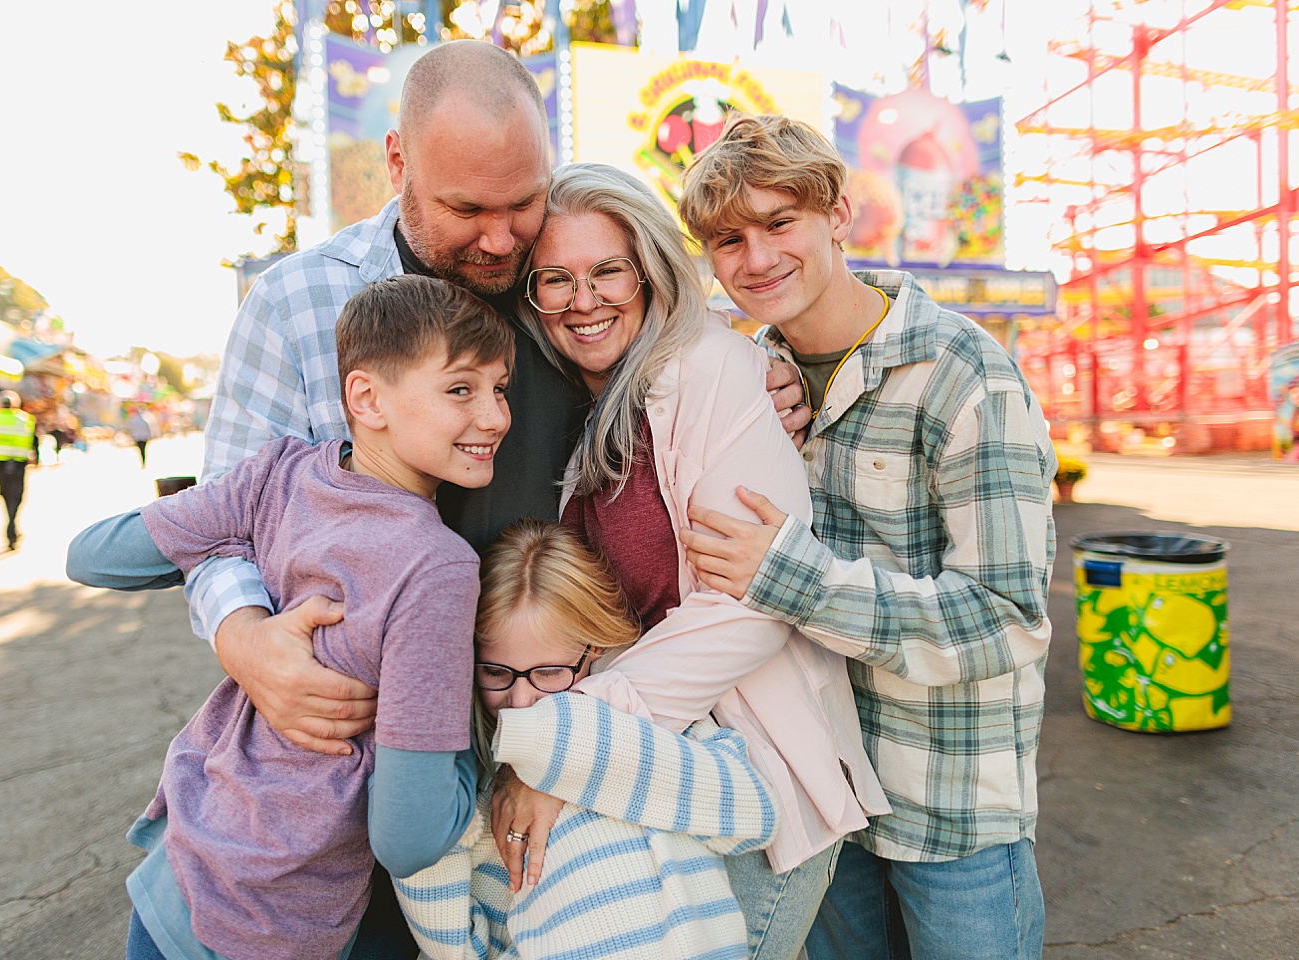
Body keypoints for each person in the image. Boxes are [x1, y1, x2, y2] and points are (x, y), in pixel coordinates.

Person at [184, 37, 806, 764]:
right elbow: (219, 519)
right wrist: (243, 637)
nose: (501, 238)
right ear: (398, 162)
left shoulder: (548, 272)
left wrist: (764, 361)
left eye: (523, 202)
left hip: (555, 712)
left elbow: (647, 318)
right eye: (467, 208)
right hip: (363, 732)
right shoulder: (296, 304)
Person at [675, 114, 1057, 960]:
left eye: (779, 223)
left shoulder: (962, 373)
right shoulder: (750, 377)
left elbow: (1005, 618)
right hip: (823, 791)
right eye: (729, 240)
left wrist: (795, 579)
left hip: (950, 804)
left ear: (838, 215)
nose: (756, 258)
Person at [487, 162, 887, 960]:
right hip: (656, 765)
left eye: (608, 271)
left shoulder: (711, 370)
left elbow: (752, 607)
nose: (583, 300)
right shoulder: (575, 397)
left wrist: (570, 737)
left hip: (756, 769)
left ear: (651, 272)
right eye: (555, 279)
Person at [68, 275, 509, 960]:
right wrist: (483, 768)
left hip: (177, 876)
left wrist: (229, 561)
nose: (496, 417)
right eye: (461, 389)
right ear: (366, 399)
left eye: (500, 388)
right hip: (269, 919)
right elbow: (410, 836)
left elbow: (93, 555)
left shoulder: (278, 477)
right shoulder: (436, 568)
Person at [396, 519, 779, 960]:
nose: (520, 702)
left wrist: (562, 744)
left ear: (595, 649)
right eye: (496, 673)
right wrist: (425, 817)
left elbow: (757, 818)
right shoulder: (490, 803)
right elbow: (460, 951)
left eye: (548, 673)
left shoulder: (656, 725)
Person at [0, 391, 36, 550]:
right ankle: (12, 526)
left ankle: (11, 527)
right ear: (15, 404)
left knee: (5, 494)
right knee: (16, 497)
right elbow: (32, 441)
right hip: (18, 462)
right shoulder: (26, 419)